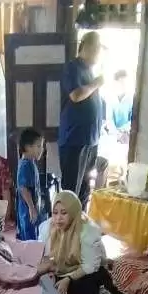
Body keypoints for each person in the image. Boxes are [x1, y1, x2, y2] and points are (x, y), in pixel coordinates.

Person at [38, 190, 118, 294]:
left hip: (81, 272)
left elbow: (89, 266)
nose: (58, 218)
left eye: (64, 213)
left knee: (96, 277)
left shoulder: (87, 231)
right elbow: (42, 256)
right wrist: (49, 271)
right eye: (55, 213)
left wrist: (68, 279)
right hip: (57, 273)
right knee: (37, 279)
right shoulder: (48, 228)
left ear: (73, 212)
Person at [59, 32, 105, 209]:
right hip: (74, 140)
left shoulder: (89, 71)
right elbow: (76, 95)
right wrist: (96, 83)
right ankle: (65, 233)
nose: (98, 54)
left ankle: (79, 230)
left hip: (90, 140)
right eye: (96, 49)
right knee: (71, 194)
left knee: (85, 191)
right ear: (85, 47)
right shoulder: (73, 67)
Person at [14, 128, 46, 242]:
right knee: (29, 237)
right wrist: (31, 208)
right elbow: (23, 188)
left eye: (41, 146)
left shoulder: (31, 163)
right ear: (27, 147)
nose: (41, 149)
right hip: (27, 210)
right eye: (38, 146)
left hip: (32, 207)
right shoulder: (25, 165)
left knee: (35, 234)